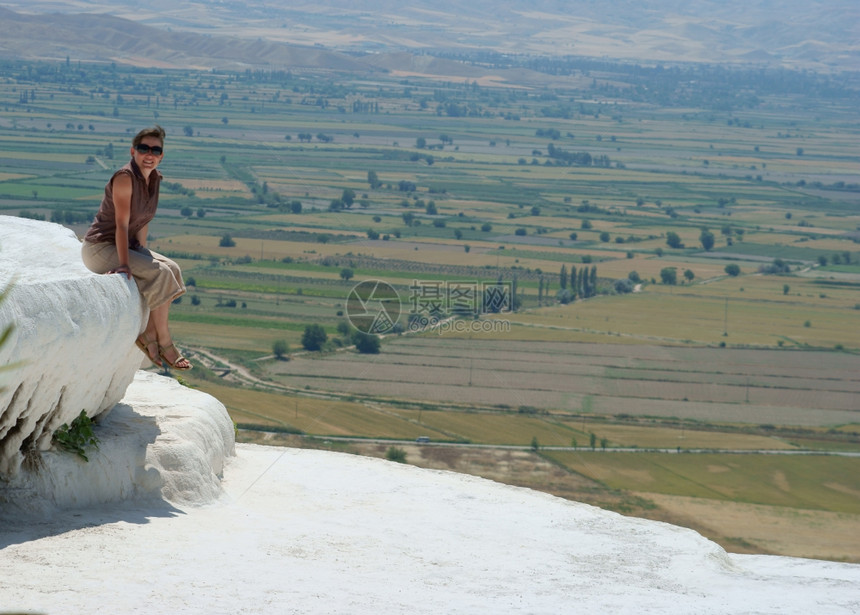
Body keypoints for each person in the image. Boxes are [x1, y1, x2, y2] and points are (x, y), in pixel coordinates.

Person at [81, 125, 191, 370]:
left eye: (155, 150)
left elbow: (143, 221)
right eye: (143, 148)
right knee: (160, 273)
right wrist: (125, 264)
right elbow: (121, 224)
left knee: (172, 268)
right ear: (133, 151)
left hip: (124, 245)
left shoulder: (154, 179)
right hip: (100, 249)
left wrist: (141, 252)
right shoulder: (125, 178)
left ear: (161, 155)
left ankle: (149, 333)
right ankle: (164, 340)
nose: (149, 154)